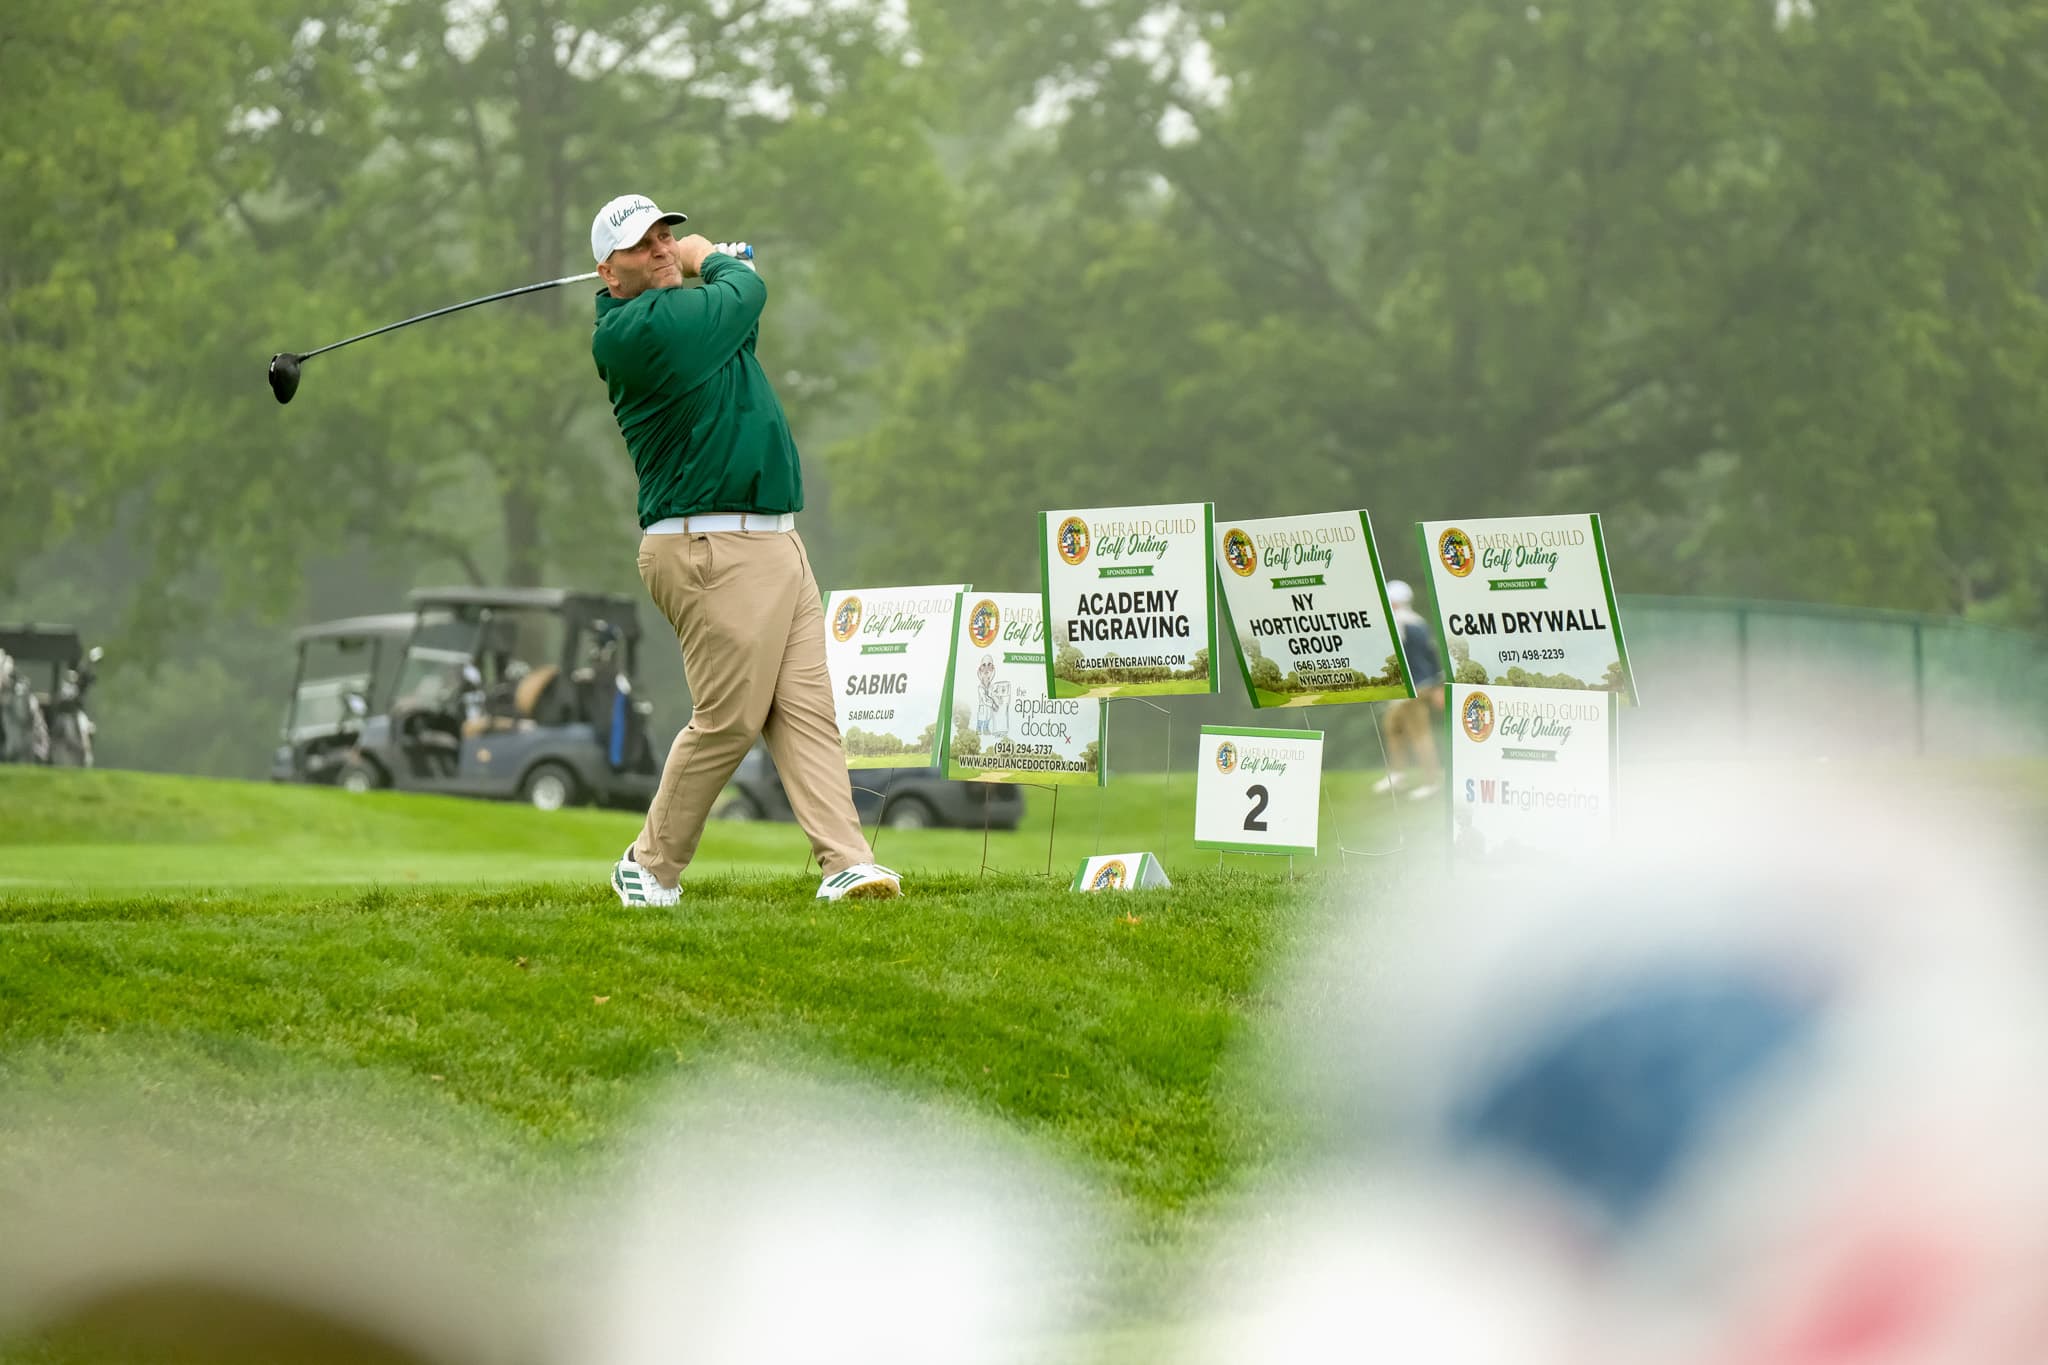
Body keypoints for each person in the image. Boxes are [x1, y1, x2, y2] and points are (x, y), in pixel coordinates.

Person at [588, 194, 900, 906]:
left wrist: (723, 277)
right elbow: (747, 292)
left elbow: (738, 319)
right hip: (709, 546)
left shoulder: (688, 320)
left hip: (774, 541)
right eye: (644, 245)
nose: (665, 247)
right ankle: (648, 863)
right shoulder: (636, 331)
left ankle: (846, 862)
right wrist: (714, 258)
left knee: (805, 711)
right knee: (728, 720)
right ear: (611, 274)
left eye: (669, 235)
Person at [1376, 580, 1445, 800]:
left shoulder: (1399, 623)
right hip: (1421, 685)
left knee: (1420, 735)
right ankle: (1397, 775)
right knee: (1393, 726)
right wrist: (1437, 685)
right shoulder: (1419, 622)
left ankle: (1432, 782)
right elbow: (1432, 655)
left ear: (1394, 602)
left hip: (1412, 688)